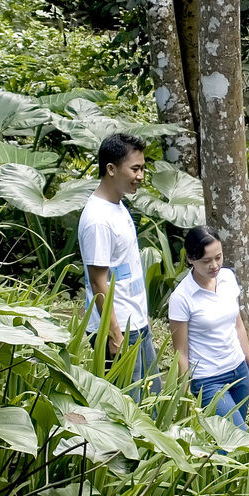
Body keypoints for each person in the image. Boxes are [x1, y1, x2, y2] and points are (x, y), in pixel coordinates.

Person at [78, 132, 158, 399]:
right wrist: (114, 335)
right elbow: (98, 282)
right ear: (111, 169)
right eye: (135, 169)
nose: (140, 176)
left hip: (135, 322)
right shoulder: (98, 219)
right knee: (127, 407)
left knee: (151, 401)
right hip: (120, 328)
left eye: (142, 168)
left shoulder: (118, 206)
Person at [169, 226, 249, 428]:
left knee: (225, 446)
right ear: (191, 260)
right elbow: (181, 353)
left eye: (218, 257)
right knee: (238, 435)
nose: (214, 265)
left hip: (239, 370)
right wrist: (184, 395)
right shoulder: (181, 297)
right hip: (208, 380)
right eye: (206, 261)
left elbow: (237, 325)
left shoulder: (227, 277)